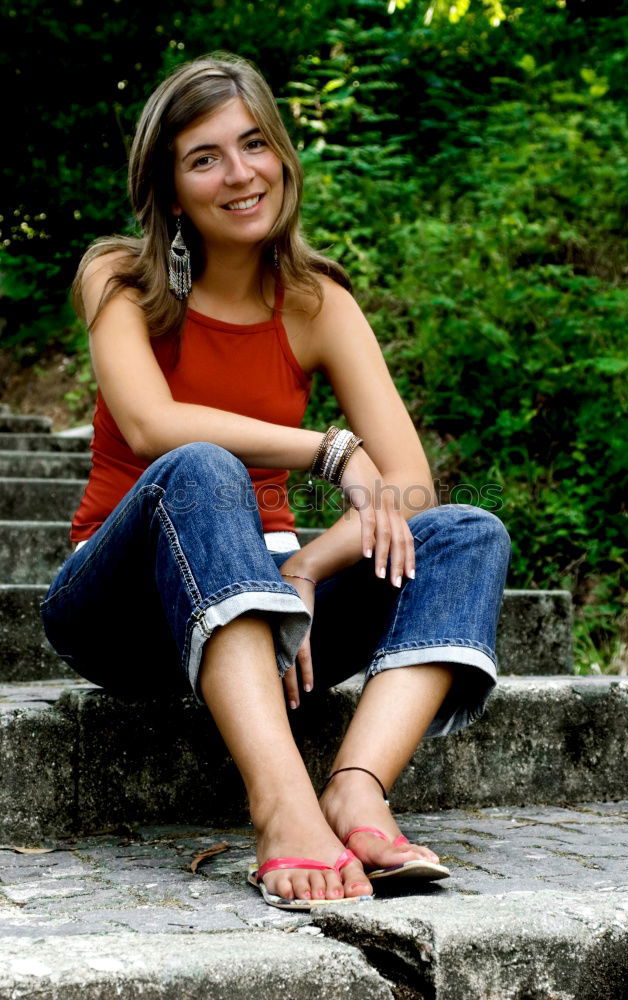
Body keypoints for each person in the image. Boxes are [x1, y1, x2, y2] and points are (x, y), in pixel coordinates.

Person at [40, 51, 512, 911]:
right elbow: (150, 424)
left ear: (284, 155)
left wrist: (303, 567)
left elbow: (409, 483)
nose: (239, 173)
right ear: (171, 189)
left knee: (468, 532)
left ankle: (356, 788)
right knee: (199, 464)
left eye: (254, 143)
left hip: (273, 605)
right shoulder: (122, 278)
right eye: (204, 157)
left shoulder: (316, 300)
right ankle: (283, 802)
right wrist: (328, 449)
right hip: (122, 606)